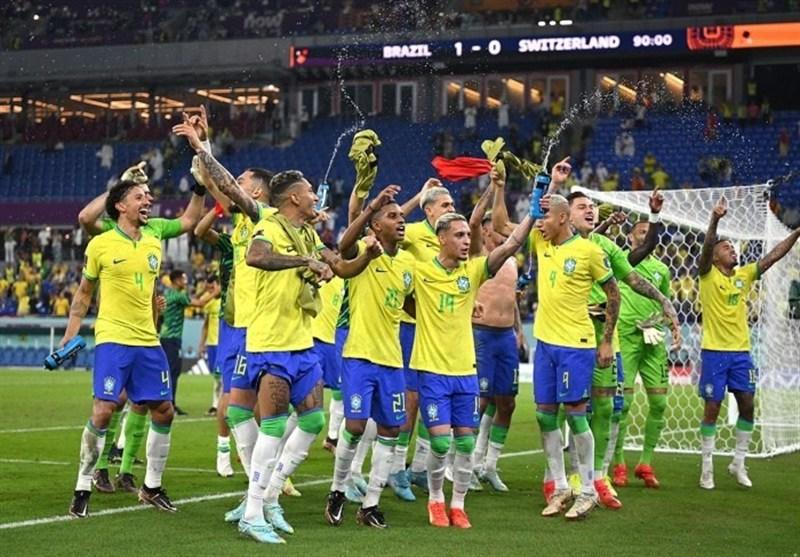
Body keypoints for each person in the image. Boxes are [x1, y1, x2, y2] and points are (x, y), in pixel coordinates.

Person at [237, 170, 378, 544]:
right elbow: (255, 257)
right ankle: (252, 513)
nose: (316, 196)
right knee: (272, 426)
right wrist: (303, 261)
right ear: (294, 198)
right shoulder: (270, 226)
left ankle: (271, 496)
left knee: (314, 420)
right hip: (271, 342)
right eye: (310, 192)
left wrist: (368, 255)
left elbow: (342, 268)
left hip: (302, 343)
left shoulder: (309, 234)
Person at [413, 204, 537, 529]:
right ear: (441, 238)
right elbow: (401, 300)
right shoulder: (420, 272)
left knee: (466, 442)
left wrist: (533, 211)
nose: (467, 240)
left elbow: (511, 245)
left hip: (466, 371)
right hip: (432, 370)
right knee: (441, 443)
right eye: (459, 235)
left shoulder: (473, 271)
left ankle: (458, 505)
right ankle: (436, 500)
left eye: (468, 235)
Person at [65, 181, 176, 518]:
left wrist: (155, 320)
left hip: (148, 341)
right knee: (103, 410)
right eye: (139, 197)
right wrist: (70, 333)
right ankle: (82, 486)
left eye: (148, 196)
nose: (148, 200)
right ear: (120, 206)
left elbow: (151, 292)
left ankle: (151, 487)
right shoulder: (100, 243)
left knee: (164, 410)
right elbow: (84, 293)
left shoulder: (154, 242)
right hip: (113, 337)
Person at [324, 185, 415, 528]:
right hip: (359, 355)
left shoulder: (408, 264)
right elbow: (343, 246)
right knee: (356, 425)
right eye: (392, 216)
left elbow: (411, 304)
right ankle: (337, 489)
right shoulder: (364, 250)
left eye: (402, 216)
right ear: (376, 226)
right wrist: (371, 205)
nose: (401, 220)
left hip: (392, 360)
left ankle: (370, 504)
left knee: (392, 429)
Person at [697, 196, 800, 489]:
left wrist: (796, 232)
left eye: (733, 246)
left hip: (741, 354)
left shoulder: (744, 275)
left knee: (748, 405)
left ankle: (738, 463)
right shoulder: (707, 274)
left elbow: (774, 256)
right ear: (715, 257)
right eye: (726, 247)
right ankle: (706, 468)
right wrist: (715, 219)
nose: (732, 249)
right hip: (714, 352)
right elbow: (706, 250)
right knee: (712, 408)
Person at [468, 175, 525, 492]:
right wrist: (494, 188)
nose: (498, 234)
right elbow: (474, 221)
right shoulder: (477, 255)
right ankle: (464, 465)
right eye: (492, 229)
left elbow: (510, 298)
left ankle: (489, 465)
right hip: (481, 334)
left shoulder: (512, 261)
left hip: (505, 338)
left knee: (507, 403)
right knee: (480, 401)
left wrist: (518, 330)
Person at [612, 215, 672, 488]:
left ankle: (645, 463)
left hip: (653, 339)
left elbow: (664, 303)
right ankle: (619, 463)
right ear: (630, 236)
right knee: (622, 405)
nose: (646, 235)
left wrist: (665, 323)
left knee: (659, 403)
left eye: (649, 231)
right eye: (641, 231)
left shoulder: (662, 269)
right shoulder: (622, 262)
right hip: (626, 337)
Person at [159, 270, 219, 415]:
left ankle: (167, 402)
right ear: (176, 280)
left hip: (166, 337)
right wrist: (215, 292)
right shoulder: (178, 295)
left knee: (169, 371)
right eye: (183, 279)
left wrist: (204, 290)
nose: (185, 281)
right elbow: (200, 303)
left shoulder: (170, 293)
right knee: (173, 372)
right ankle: (170, 404)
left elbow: (191, 298)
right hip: (172, 338)